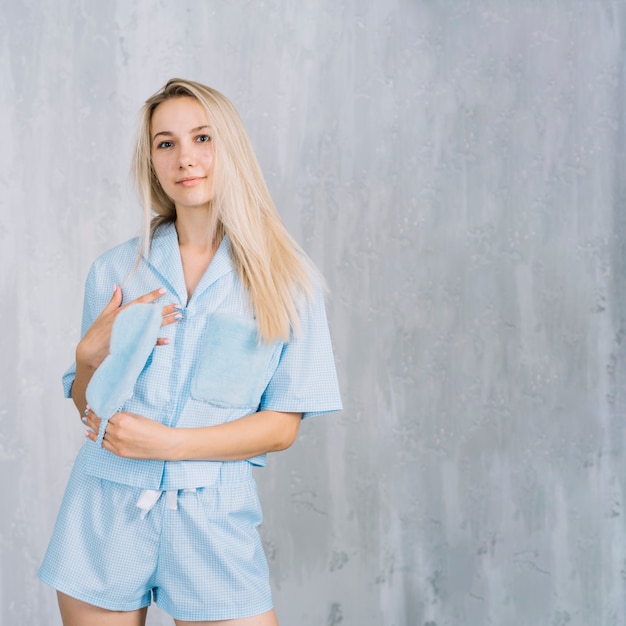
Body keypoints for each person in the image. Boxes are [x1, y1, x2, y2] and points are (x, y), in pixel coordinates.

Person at [38, 78, 342, 626]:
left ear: (231, 149)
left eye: (203, 138)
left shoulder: (287, 281)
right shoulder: (116, 271)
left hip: (212, 515)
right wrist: (86, 357)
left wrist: (172, 444)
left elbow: (281, 427)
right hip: (104, 506)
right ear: (151, 161)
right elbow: (92, 410)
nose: (185, 158)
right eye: (166, 143)